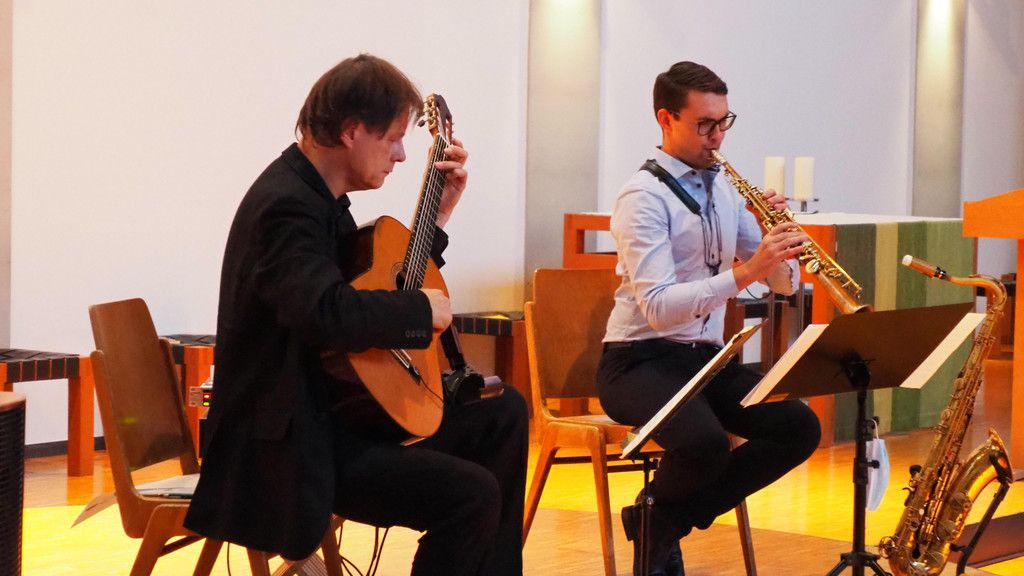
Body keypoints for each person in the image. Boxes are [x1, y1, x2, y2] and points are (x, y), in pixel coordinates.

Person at [184, 54, 528, 576]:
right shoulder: (286, 206)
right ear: (351, 131)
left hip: (339, 411)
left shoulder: (320, 200)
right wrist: (419, 309)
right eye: (392, 139)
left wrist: (436, 220)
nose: (402, 155)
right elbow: (326, 312)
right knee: (471, 495)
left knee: (502, 413)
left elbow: (367, 292)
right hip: (293, 445)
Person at [596, 61, 822, 576]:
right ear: (666, 119)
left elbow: (783, 285)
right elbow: (659, 307)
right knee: (703, 445)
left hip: (705, 360)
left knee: (797, 427)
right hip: (637, 361)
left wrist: (778, 240)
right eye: (704, 125)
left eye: (724, 122)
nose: (718, 137)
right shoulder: (642, 197)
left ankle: (660, 518)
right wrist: (746, 272)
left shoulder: (724, 187)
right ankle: (660, 523)